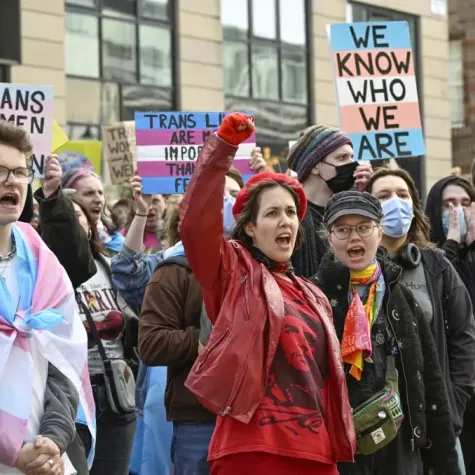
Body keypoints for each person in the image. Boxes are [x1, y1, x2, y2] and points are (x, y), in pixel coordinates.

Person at [179, 112, 356, 475]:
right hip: (251, 453)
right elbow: (196, 223)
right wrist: (225, 147)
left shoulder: (313, 294)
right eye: (272, 213)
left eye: (291, 212)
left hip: (317, 454)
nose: (285, 221)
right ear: (249, 227)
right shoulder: (233, 273)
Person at [314, 190, 459, 474]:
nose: (354, 237)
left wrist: (445, 462)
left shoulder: (400, 296)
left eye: (364, 227)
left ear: (379, 233)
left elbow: (430, 380)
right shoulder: (314, 298)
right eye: (342, 229)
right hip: (340, 453)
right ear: (329, 237)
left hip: (401, 447)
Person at [0, 120, 95, 475]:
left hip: (46, 458)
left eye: (21, 172)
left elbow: (64, 362)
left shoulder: (42, 260)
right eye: (0, 171)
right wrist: (12, 452)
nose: (12, 180)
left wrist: (53, 437)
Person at [364, 168, 475, 474]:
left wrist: (453, 403)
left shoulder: (436, 265)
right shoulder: (352, 268)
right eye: (383, 196)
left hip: (436, 422)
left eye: (402, 195)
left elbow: (464, 337)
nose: (394, 202)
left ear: (414, 207)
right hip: (376, 429)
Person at [72, 197, 137, 475]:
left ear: (90, 225)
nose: (70, 221)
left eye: (76, 215)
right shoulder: (47, 272)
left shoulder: (107, 266)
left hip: (116, 393)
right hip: (74, 400)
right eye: (62, 216)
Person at [424, 175, 475, 474]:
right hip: (451, 394)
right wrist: (453, 244)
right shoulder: (428, 258)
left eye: (465, 204)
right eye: (449, 204)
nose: (457, 211)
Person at [286, 126, 373, 277]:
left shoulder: (348, 207)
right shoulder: (290, 214)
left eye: (352, 157)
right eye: (342, 158)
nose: (352, 164)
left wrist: (364, 198)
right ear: (314, 167)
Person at [61, 168, 124, 255]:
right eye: (89, 193)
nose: (98, 200)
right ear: (68, 199)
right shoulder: (58, 242)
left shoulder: (118, 241)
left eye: (100, 193)